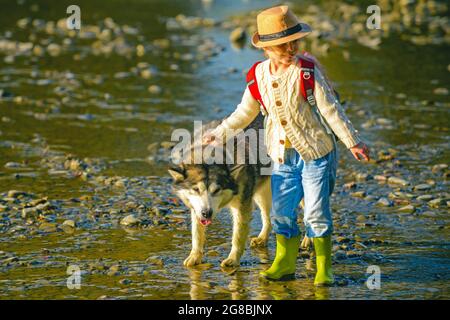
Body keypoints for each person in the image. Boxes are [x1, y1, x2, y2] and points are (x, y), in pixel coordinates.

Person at [203, 5, 370, 286]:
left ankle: (323, 267)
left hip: (316, 153)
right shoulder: (258, 76)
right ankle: (283, 262)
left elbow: (331, 110)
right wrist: (218, 134)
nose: (291, 48)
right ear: (267, 47)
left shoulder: (307, 71)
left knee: (315, 211)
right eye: (283, 44)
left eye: (294, 41)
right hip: (280, 157)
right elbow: (244, 113)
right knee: (281, 211)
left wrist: (353, 141)